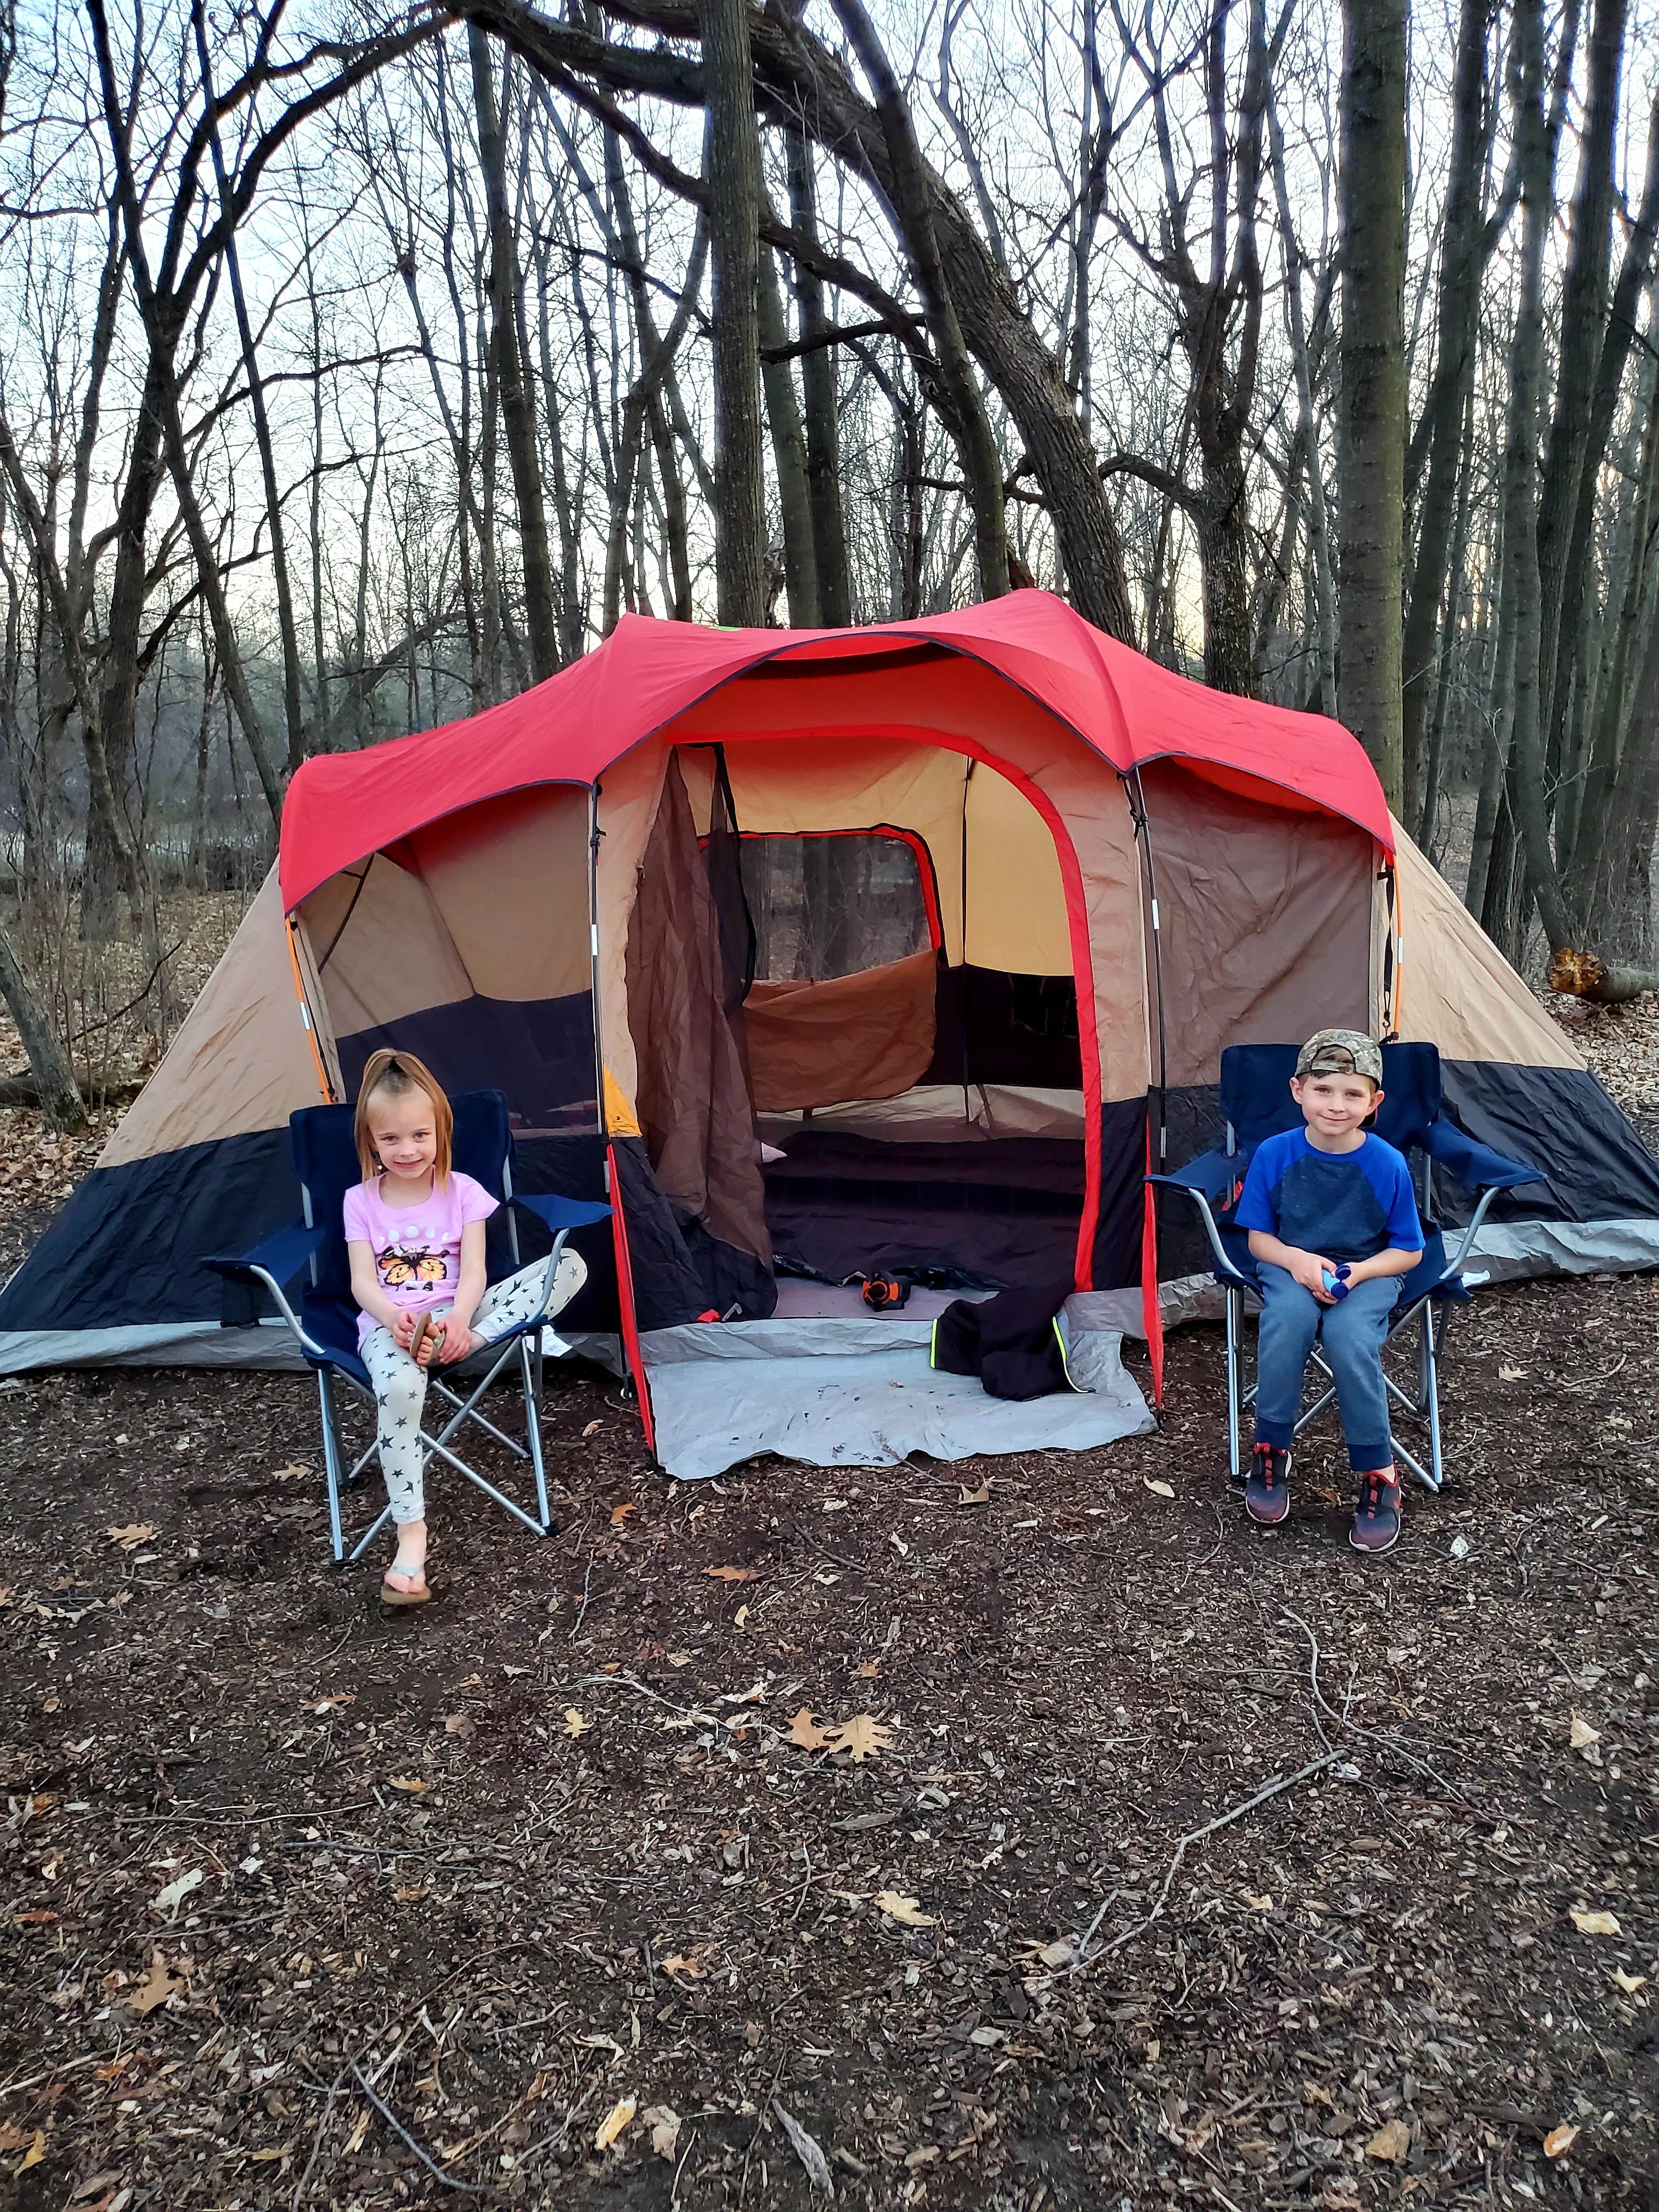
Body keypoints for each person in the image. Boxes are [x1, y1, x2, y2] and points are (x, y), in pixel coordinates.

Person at [345, 1049, 582, 1605]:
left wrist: (461, 1325)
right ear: (370, 1142)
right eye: (391, 1140)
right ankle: (411, 1537)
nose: (407, 1151)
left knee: (570, 1266)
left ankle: (468, 1343)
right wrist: (392, 1318)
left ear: (440, 1132)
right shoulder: (359, 1201)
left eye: (420, 1136)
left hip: (464, 1314)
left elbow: (474, 1271)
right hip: (392, 1326)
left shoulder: (463, 1191)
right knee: (401, 1388)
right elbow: (361, 1283)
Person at [1232, 1029, 1424, 1554]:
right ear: (1298, 1091)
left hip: (1369, 1270)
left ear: (1375, 1102)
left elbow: (1409, 1250)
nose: (1336, 1105)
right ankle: (1271, 1446)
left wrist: (1358, 1273)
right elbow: (1258, 1240)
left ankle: (1378, 1473)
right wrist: (1297, 1261)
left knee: (1347, 1337)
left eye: (1352, 1094)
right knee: (1288, 1320)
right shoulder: (1276, 1153)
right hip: (1290, 1264)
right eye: (1323, 1090)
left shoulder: (1386, 1163)